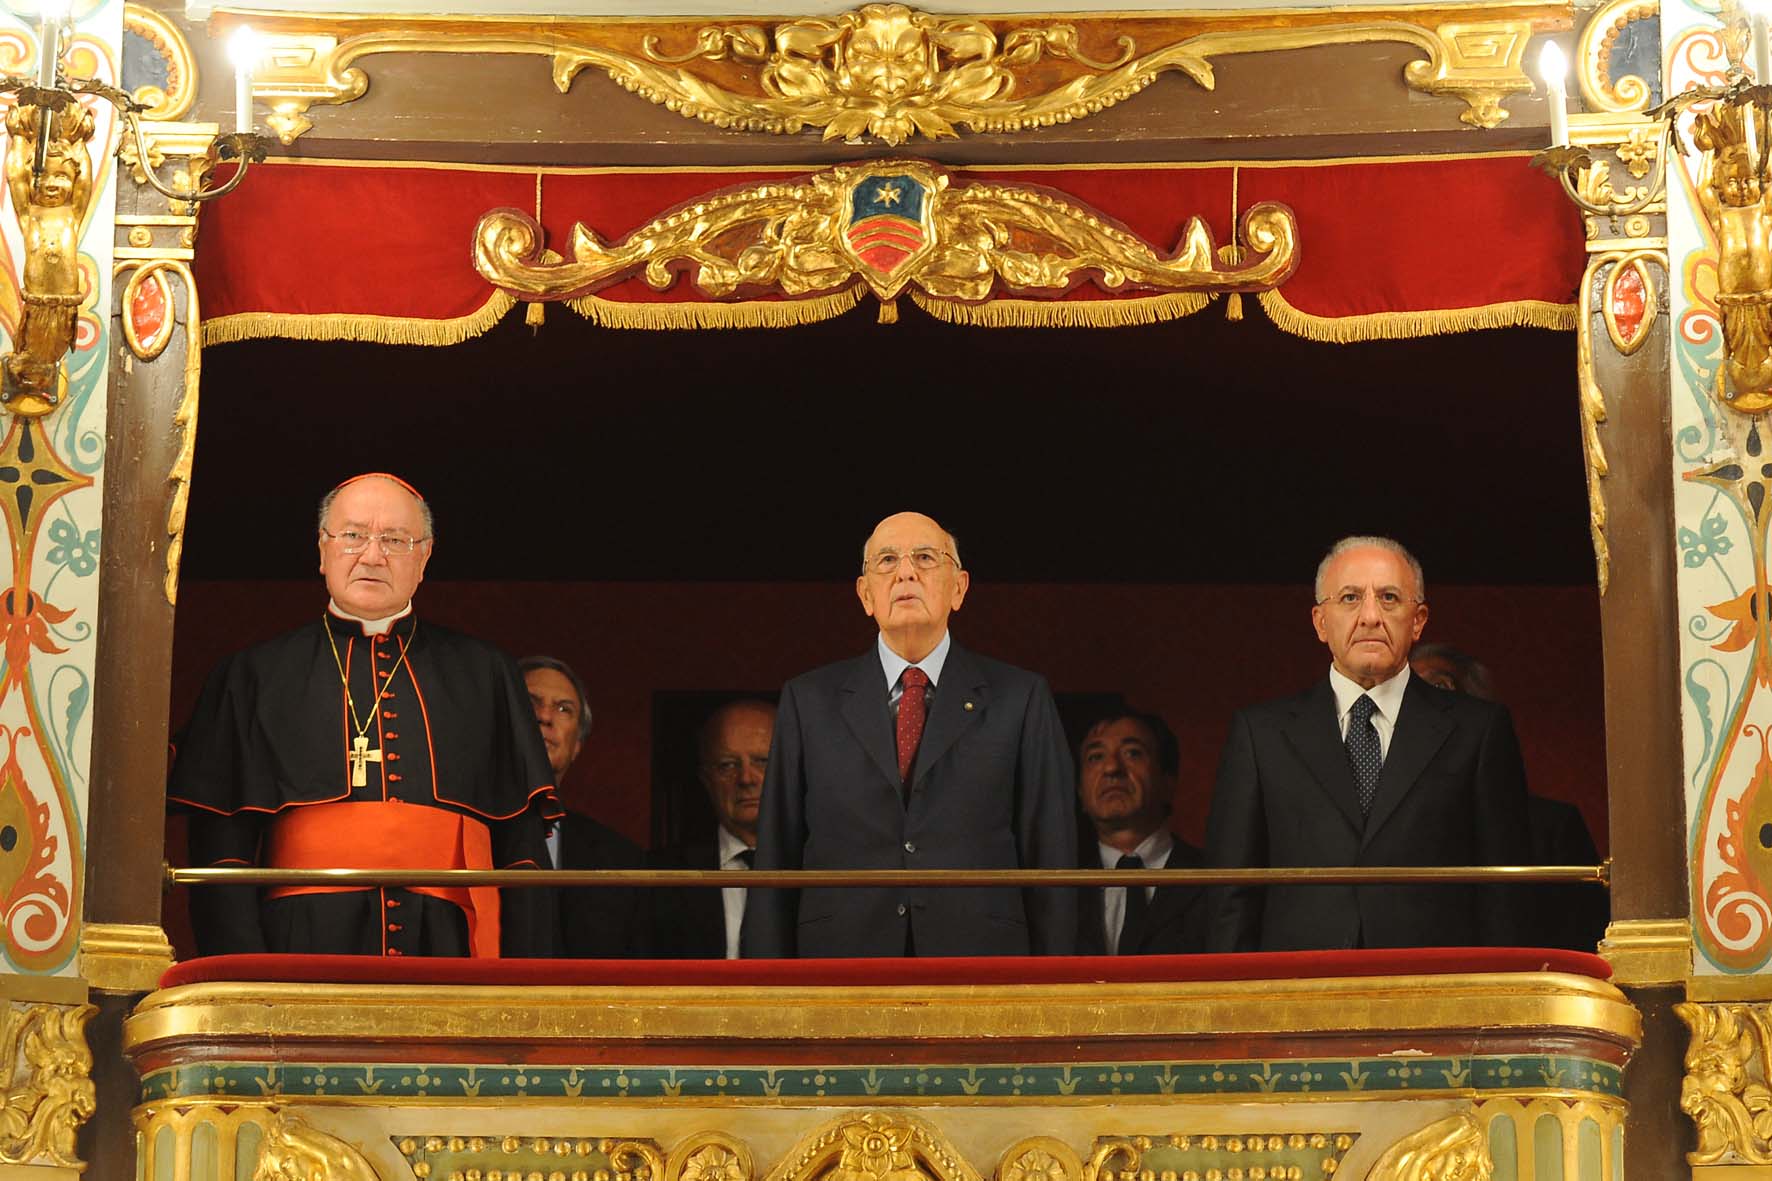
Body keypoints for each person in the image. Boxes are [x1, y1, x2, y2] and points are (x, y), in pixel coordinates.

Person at [168, 473, 558, 958]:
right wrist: (243, 974)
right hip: (299, 946)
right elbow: (221, 850)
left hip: (450, 943)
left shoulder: (484, 672)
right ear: (322, 549)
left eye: (395, 540)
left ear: (425, 557)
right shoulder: (253, 674)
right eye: (353, 536)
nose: (372, 556)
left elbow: (522, 852)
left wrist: (525, 983)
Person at [742, 511, 1077, 958]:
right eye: (886, 560)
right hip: (841, 960)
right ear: (865, 595)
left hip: (982, 962)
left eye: (925, 557)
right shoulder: (808, 701)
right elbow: (774, 859)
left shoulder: (1021, 697)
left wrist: (1055, 987)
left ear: (958, 588)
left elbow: (1051, 855)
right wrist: (767, 989)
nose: (905, 572)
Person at [1204, 535, 1530, 951]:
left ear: (1419, 620)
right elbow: (1231, 894)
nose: (1370, 616)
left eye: (1390, 598)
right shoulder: (1260, 733)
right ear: (1321, 622)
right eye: (1350, 598)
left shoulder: (1477, 730)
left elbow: (1505, 893)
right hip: (1298, 987)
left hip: (1437, 985)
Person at [1408, 643, 1607, 950]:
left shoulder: (1551, 828)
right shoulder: (1381, 828)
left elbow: (1584, 941)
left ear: (1478, 705)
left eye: (1439, 687)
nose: (1425, 706)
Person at [521, 655, 650, 958]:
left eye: (564, 709)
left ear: (577, 744)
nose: (545, 716)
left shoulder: (622, 862)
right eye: (530, 702)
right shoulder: (458, 836)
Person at [649, 699, 776, 958]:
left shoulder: (826, 869)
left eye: (762, 761)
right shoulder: (659, 876)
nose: (746, 778)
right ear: (707, 780)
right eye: (728, 765)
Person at [1075, 709, 1207, 955]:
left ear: (1168, 781)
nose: (1112, 768)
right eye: (1095, 756)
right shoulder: (1057, 891)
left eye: (1132, 753)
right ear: (1080, 792)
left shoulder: (1215, 880)